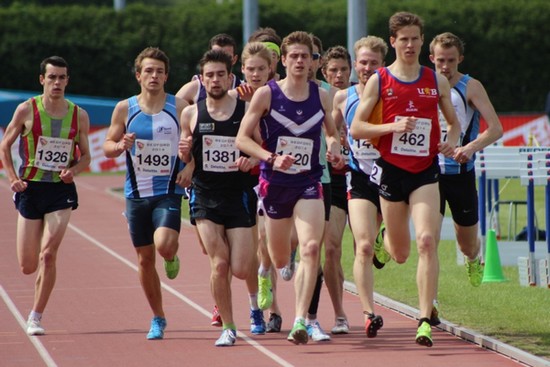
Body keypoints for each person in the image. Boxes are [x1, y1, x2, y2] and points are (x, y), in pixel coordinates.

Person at [350, 12, 461, 347]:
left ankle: (425, 318)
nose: (410, 44)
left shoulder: (435, 80)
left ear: (421, 41)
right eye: (404, 39)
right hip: (391, 171)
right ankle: (388, 237)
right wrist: (390, 127)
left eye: (415, 38)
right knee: (399, 253)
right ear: (394, 42)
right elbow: (357, 128)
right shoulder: (379, 80)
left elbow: (454, 124)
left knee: (427, 241)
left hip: (425, 172)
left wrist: (451, 140)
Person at [236, 31, 343, 345]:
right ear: (281, 61)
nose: (299, 61)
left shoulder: (322, 95)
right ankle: (268, 269)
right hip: (275, 184)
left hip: (309, 182)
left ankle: (301, 321)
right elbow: (242, 139)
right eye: (293, 56)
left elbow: (333, 133)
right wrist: (271, 157)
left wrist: (334, 148)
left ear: (312, 62)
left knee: (312, 247)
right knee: (280, 259)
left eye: (305, 56)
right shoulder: (266, 94)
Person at [0, 56, 91, 336]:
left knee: (48, 254)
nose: (57, 83)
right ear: (42, 80)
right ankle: (35, 306)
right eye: (52, 77)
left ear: (67, 80)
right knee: (28, 265)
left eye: (62, 77)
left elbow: (86, 156)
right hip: (31, 189)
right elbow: (5, 147)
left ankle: (36, 316)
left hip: (60, 191)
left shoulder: (79, 115)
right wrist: (13, 179)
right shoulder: (26, 110)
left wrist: (73, 170)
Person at [103, 47, 188, 340]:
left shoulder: (180, 106)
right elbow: (108, 145)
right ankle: (158, 317)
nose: (154, 76)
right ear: (139, 75)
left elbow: (198, 140)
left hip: (169, 190)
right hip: (136, 193)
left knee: (163, 244)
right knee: (143, 260)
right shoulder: (125, 109)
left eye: (160, 71)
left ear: (166, 76)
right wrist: (120, 146)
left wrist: (191, 168)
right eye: (148, 71)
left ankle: (171, 255)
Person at [179, 49, 259, 347]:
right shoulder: (191, 112)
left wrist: (253, 161)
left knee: (240, 267)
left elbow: (260, 146)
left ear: (229, 76)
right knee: (220, 264)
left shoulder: (245, 108)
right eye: (209, 75)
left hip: (237, 196)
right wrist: (185, 155)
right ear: (202, 78)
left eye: (220, 74)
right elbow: (186, 154)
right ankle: (228, 326)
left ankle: (244, 305)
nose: (215, 80)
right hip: (204, 197)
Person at [429, 32, 503, 287]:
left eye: (451, 60)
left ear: (460, 58)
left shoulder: (471, 86)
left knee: (467, 244)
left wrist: (469, 148)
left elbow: (495, 128)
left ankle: (474, 258)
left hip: (460, 173)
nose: (445, 67)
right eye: (440, 61)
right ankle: (430, 303)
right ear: (431, 59)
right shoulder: (422, 85)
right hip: (428, 174)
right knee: (428, 241)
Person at [333, 36, 389, 338]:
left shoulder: (393, 93)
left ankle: (387, 238)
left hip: (394, 178)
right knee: (363, 245)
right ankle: (369, 312)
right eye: (363, 63)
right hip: (360, 178)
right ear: (356, 64)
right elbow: (329, 128)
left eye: (374, 63)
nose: (367, 68)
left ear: (383, 64)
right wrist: (334, 145)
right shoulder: (343, 97)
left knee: (396, 247)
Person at [321, 44, 354, 336]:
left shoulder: (360, 96)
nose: (339, 75)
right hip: (332, 180)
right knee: (331, 249)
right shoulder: (316, 99)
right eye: (333, 70)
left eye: (344, 69)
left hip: (362, 179)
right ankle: (340, 314)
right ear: (324, 72)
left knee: (367, 250)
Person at [176, 33, 242, 105]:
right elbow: (171, 111)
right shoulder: (196, 87)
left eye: (227, 57)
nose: (221, 61)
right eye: (216, 55)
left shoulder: (244, 89)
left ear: (234, 59)